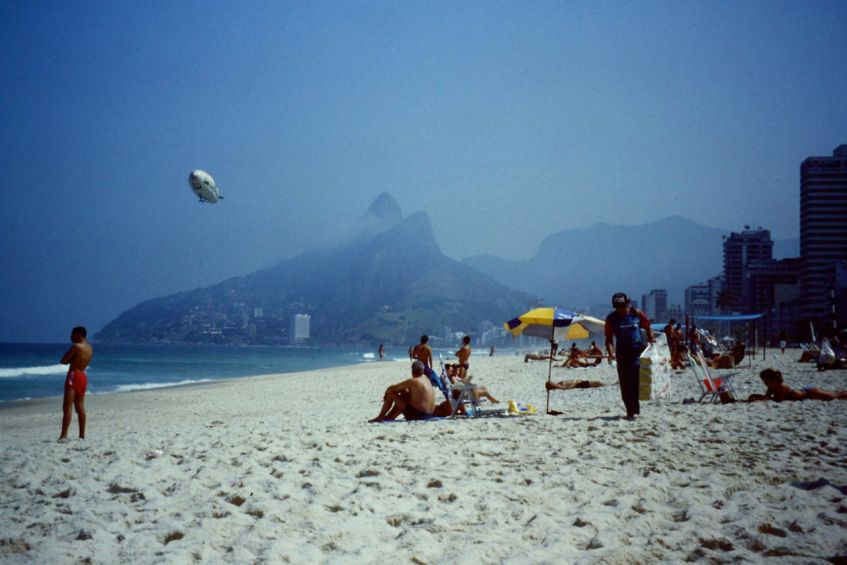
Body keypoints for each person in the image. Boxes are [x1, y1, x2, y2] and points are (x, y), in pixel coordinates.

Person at [605, 292, 655, 419]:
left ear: (628, 304)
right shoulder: (611, 319)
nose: (621, 310)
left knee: (635, 380)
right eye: (618, 308)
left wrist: (651, 338)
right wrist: (611, 353)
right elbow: (609, 339)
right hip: (622, 353)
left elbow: (648, 327)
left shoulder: (637, 315)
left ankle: (635, 407)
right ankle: (630, 410)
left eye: (623, 307)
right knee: (625, 383)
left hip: (637, 352)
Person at [369, 361, 436, 422]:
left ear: (412, 371)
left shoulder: (414, 381)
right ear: (423, 370)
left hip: (419, 416)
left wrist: (386, 394)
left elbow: (391, 388)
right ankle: (390, 416)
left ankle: (380, 417)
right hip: (430, 414)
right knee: (405, 391)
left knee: (391, 394)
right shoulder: (426, 379)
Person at [59, 326, 93, 440]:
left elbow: (63, 361)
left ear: (78, 335)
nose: (70, 337)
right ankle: (82, 434)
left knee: (67, 406)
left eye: (72, 334)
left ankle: (64, 435)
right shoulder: (89, 348)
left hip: (74, 375)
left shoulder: (76, 347)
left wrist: (69, 355)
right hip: (83, 376)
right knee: (80, 406)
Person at [747, 368, 847, 402]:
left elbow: (777, 400)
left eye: (766, 381)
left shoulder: (782, 387)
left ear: (772, 380)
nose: (765, 383)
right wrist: (755, 395)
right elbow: (767, 397)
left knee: (836, 396)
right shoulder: (772, 386)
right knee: (835, 394)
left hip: (809, 394)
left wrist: (758, 399)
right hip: (806, 391)